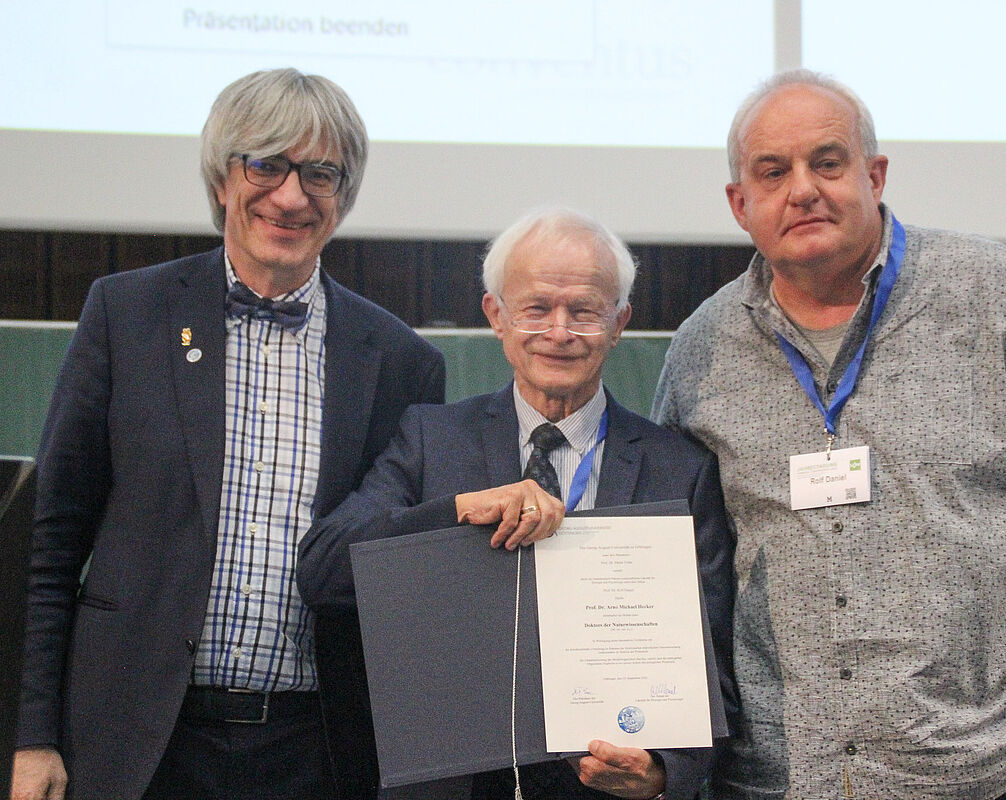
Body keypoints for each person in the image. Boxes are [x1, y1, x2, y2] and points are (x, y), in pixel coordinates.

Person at [651, 69, 1006, 800]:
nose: (803, 189)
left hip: (976, 770)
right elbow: (681, 554)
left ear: (875, 174)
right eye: (773, 171)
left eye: (828, 162)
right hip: (774, 780)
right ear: (740, 203)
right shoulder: (701, 348)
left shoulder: (998, 295)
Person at [11, 68, 445, 800]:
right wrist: (32, 737)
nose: (290, 195)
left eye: (321, 173)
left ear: (343, 196)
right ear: (222, 179)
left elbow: (398, 587)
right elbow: (51, 545)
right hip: (134, 744)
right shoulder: (126, 315)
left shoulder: (403, 362)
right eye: (266, 164)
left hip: (316, 754)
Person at [298, 208, 736, 800]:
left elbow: (715, 655)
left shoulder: (678, 469)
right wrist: (456, 512)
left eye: (583, 310)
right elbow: (323, 570)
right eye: (536, 308)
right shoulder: (430, 440)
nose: (559, 332)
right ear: (496, 317)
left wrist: (663, 772)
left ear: (619, 323)